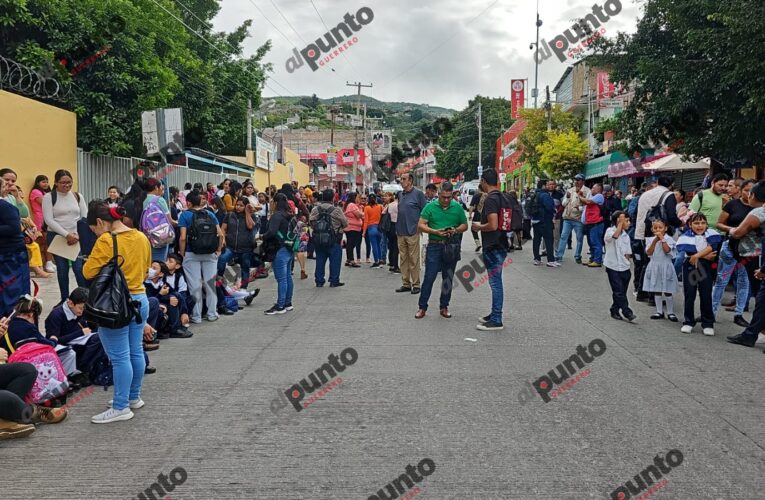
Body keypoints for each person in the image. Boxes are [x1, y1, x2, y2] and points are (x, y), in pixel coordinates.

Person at [83, 201, 152, 423]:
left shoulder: (106, 239)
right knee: (135, 352)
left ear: (101, 222)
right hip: (140, 298)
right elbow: (147, 267)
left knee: (120, 357)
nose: (94, 232)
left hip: (114, 304)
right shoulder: (141, 237)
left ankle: (121, 406)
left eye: (94, 228)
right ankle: (133, 397)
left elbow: (88, 271)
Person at [415, 182, 468, 319]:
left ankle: (444, 306)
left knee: (448, 278)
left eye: (448, 197)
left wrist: (455, 230)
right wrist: (434, 231)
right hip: (434, 245)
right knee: (429, 277)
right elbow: (421, 225)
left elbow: (464, 225)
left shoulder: (457, 207)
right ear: (438, 194)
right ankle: (422, 307)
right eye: (443, 197)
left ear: (452, 195)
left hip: (451, 245)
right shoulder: (430, 207)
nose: (445, 200)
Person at [726, 181, 765, 348]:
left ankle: (750, 335)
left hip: (754, 257)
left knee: (761, 297)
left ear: (753, 195)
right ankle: (753, 332)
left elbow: (739, 232)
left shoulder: (759, 211)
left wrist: (731, 231)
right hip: (758, 258)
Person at [711, 179, 754, 326]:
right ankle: (711, 312)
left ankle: (739, 314)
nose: (749, 193)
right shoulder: (732, 204)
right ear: (740, 190)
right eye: (747, 190)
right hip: (730, 247)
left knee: (744, 281)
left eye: (752, 191)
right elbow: (719, 223)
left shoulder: (759, 209)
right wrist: (731, 229)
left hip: (748, 252)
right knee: (721, 280)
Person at [42, 169, 89, 303]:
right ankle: (64, 299)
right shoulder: (49, 197)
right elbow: (49, 220)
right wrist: (66, 234)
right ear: (56, 183)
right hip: (58, 237)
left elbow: (84, 216)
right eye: (63, 183)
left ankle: (84, 298)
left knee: (79, 268)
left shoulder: (77, 196)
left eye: (69, 182)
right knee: (62, 270)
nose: (67, 185)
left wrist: (78, 235)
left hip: (77, 237)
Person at [178, 191, 224, 324]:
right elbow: (220, 234)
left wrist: (183, 253)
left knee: (195, 285)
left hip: (191, 253)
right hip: (210, 253)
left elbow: (182, 237)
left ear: (188, 203)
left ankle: (197, 316)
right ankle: (212, 313)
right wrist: (219, 250)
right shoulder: (210, 214)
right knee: (210, 284)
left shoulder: (185, 215)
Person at [472, 169, 510, 331]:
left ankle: (496, 318)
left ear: (483, 181)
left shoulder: (490, 200)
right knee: (496, 282)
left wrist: (479, 226)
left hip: (493, 245)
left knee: (495, 283)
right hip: (502, 243)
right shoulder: (504, 197)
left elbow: (493, 224)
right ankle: (494, 313)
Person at [634, 175, 682, 301]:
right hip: (659, 232)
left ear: (657, 182)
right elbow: (671, 216)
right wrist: (681, 223)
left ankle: (642, 291)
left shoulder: (645, 194)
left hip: (644, 231)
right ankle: (652, 295)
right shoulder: (668, 195)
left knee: (647, 262)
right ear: (671, 184)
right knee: (658, 263)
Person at [677, 213, 721, 336]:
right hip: (691, 266)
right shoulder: (685, 236)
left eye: (702, 223)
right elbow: (690, 253)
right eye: (696, 223)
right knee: (689, 294)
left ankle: (708, 323)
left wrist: (698, 255)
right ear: (690, 224)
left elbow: (713, 247)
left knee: (706, 294)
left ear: (706, 224)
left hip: (706, 267)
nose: (700, 226)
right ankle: (688, 321)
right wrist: (703, 255)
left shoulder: (711, 234)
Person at [262, 193, 296, 315]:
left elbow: (271, 232)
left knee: (281, 279)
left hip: (279, 249)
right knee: (287, 277)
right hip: (289, 248)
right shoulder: (289, 215)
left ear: (275, 203)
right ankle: (288, 303)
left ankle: (280, 305)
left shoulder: (276, 216)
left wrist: (261, 236)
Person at [396, 173, 428, 294]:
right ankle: (406, 283)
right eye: (401, 179)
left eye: (403, 179)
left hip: (413, 231)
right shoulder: (400, 194)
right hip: (401, 231)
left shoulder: (418, 194)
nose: (401, 181)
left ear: (410, 181)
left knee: (414, 259)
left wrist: (419, 227)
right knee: (403, 258)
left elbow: (424, 212)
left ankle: (416, 284)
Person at [310, 189, 348, 288]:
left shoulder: (315, 209)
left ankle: (319, 280)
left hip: (319, 238)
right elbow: (345, 223)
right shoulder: (336, 210)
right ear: (332, 198)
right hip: (334, 238)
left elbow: (311, 221)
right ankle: (334, 280)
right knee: (335, 260)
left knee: (320, 259)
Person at [643, 219, 679, 322]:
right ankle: (659, 311)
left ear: (665, 228)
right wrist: (655, 241)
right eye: (655, 228)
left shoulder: (669, 239)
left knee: (668, 290)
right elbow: (649, 252)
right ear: (652, 229)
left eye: (660, 227)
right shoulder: (650, 240)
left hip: (666, 266)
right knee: (657, 289)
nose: (658, 230)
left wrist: (662, 239)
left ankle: (670, 312)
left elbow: (667, 250)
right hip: (655, 266)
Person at [604, 211, 636, 322]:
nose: (628, 223)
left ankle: (614, 309)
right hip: (612, 266)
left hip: (624, 267)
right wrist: (620, 225)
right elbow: (614, 236)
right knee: (618, 290)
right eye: (625, 220)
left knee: (621, 291)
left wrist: (627, 260)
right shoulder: (609, 231)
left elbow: (628, 252)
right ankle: (627, 312)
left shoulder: (626, 236)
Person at [219, 197, 256, 287]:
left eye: (241, 206)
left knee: (245, 268)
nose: (238, 207)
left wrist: (247, 212)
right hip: (230, 247)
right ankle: (219, 279)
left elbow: (250, 226)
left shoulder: (251, 216)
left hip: (245, 248)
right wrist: (223, 240)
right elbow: (223, 229)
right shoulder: (230, 215)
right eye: (237, 205)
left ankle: (244, 288)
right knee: (221, 260)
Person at [557, 173, 590, 263]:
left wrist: (579, 208)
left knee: (579, 238)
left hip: (578, 219)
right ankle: (559, 255)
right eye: (575, 180)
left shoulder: (587, 191)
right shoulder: (570, 190)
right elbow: (563, 204)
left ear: (583, 181)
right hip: (567, 217)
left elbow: (588, 206)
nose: (576, 182)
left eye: (578, 180)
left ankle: (577, 256)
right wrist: (567, 198)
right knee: (563, 236)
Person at [143, 178, 175, 262]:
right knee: (158, 265)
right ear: (156, 187)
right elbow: (170, 221)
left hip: (144, 237)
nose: (162, 189)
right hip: (159, 237)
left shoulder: (140, 199)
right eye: (161, 187)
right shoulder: (160, 200)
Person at [30, 175, 55, 273]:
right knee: (43, 242)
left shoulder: (47, 193)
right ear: (37, 183)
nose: (46, 184)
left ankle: (49, 262)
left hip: (48, 219)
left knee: (48, 241)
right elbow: (45, 203)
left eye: (47, 182)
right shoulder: (35, 192)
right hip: (40, 220)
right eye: (43, 182)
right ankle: (41, 265)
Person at [532, 179, 557, 267]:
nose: (548, 186)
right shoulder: (545, 195)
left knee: (536, 240)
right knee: (549, 239)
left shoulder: (534, 194)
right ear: (543, 186)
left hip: (535, 220)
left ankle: (537, 259)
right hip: (545, 220)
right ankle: (550, 260)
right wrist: (554, 210)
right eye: (547, 184)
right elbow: (549, 207)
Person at [580, 183, 605, 267]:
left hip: (596, 223)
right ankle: (593, 258)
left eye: (593, 188)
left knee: (596, 242)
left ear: (599, 189)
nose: (592, 189)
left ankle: (597, 260)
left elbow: (587, 201)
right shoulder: (593, 197)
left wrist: (579, 196)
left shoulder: (599, 196)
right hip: (590, 223)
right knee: (591, 242)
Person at [343, 192, 364, 267]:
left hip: (350, 227)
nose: (359, 199)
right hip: (352, 228)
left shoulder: (349, 205)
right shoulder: (352, 205)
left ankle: (349, 259)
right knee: (351, 243)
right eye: (358, 197)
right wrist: (361, 210)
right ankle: (351, 260)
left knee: (350, 243)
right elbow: (359, 215)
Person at [364, 194, 384, 268]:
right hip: (379, 228)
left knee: (374, 245)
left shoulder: (367, 208)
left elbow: (366, 220)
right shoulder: (380, 207)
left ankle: (376, 261)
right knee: (379, 245)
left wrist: (364, 231)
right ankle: (381, 259)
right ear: (375, 199)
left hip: (371, 228)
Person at [384, 192, 400, 273]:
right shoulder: (399, 205)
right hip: (397, 226)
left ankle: (391, 264)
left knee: (391, 246)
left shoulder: (390, 204)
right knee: (396, 248)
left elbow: (383, 212)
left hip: (390, 226)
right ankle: (396, 266)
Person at [468, 185, 485, 252]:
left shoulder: (476, 196)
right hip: (486, 217)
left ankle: (478, 244)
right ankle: (485, 245)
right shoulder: (488, 195)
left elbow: (471, 206)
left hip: (477, 216)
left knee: (473, 230)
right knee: (485, 230)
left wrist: (470, 215)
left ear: (479, 189)